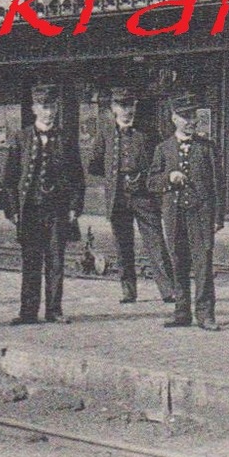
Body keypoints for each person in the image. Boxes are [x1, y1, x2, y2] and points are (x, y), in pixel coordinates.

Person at [3, 84, 85, 324]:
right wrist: (13, 210)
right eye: (44, 107)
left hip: (57, 210)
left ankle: (54, 310)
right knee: (30, 261)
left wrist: (74, 208)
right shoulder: (21, 138)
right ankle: (28, 312)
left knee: (56, 261)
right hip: (31, 210)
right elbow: (10, 179)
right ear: (34, 109)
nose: (49, 112)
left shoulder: (66, 139)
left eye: (52, 107)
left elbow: (78, 178)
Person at [87, 86, 175, 304]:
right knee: (122, 245)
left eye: (131, 105)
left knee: (155, 242)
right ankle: (128, 291)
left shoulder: (147, 131)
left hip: (144, 196)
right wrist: (113, 178)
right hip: (118, 197)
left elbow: (160, 160)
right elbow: (94, 164)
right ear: (114, 108)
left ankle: (168, 290)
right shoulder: (106, 132)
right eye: (122, 106)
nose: (127, 111)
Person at [148, 92, 223, 331]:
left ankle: (205, 314)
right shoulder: (163, 148)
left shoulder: (207, 148)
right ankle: (181, 312)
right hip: (174, 214)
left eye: (193, 116)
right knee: (178, 262)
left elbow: (218, 185)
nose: (190, 121)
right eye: (185, 117)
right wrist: (168, 178)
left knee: (203, 264)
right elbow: (151, 182)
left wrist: (218, 217)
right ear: (174, 119)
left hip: (201, 215)